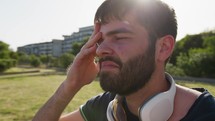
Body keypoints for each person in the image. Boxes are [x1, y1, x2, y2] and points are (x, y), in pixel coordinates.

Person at [33, 0, 215, 121]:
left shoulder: (207, 113)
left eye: (119, 37)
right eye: (100, 40)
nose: (100, 49)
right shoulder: (105, 106)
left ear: (163, 48)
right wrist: (70, 85)